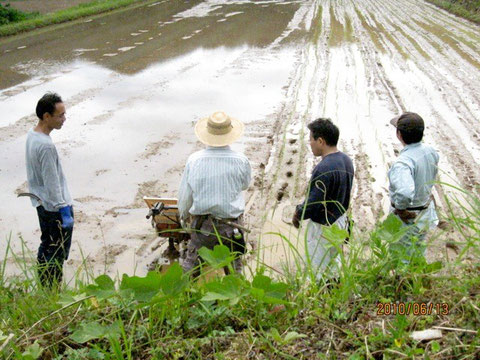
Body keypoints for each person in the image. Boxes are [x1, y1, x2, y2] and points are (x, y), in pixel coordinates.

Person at [178, 111, 251, 277]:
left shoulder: (194, 160)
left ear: (207, 134)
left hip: (203, 226)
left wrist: (184, 217)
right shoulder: (241, 160)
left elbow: (184, 198)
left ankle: (185, 299)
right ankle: (236, 301)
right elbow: (245, 185)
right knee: (234, 270)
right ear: (229, 134)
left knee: (191, 269)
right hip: (232, 226)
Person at [293, 118, 354, 280]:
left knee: (318, 269)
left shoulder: (323, 168)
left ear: (321, 141)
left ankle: (321, 301)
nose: (310, 143)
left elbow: (313, 203)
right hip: (340, 222)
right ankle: (334, 298)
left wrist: (298, 213)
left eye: (311, 139)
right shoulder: (346, 160)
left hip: (323, 227)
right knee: (334, 266)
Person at [25, 92, 74, 288]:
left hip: (40, 202)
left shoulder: (32, 135)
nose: (64, 119)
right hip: (54, 207)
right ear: (47, 116)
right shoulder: (46, 147)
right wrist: (63, 209)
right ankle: (52, 288)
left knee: (46, 245)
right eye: (60, 115)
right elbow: (52, 182)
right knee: (56, 251)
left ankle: (45, 288)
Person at [388, 112, 439, 261]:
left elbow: (404, 192)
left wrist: (401, 209)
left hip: (409, 217)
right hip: (424, 210)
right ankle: (419, 279)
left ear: (399, 135)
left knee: (402, 255)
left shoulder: (403, 163)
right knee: (417, 248)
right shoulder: (430, 151)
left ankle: (405, 282)